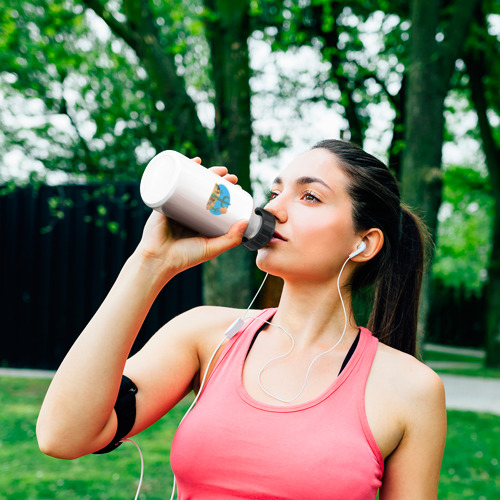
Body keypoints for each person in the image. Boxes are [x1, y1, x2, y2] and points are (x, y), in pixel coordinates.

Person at [37, 139, 447, 499]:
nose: (272, 208)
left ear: (363, 243)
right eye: (275, 191)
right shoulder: (205, 335)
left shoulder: (411, 389)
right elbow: (63, 435)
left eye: (309, 197)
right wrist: (150, 263)